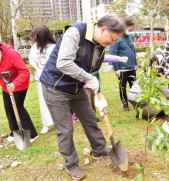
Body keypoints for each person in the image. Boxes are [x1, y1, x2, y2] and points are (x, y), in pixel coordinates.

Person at [39, 15, 126, 180]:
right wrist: (88, 78)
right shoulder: (75, 33)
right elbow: (63, 63)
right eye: (112, 39)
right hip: (55, 87)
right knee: (65, 129)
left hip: (76, 87)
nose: (113, 43)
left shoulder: (101, 42)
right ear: (103, 29)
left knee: (90, 119)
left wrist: (92, 81)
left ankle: (100, 150)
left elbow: (90, 62)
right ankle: (71, 164)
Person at [0, 42, 38, 143]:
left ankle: (32, 134)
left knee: (18, 107)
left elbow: (25, 71)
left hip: (19, 83)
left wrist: (15, 84)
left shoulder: (11, 54)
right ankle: (14, 131)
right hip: (5, 85)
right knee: (8, 108)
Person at [29, 25, 56, 134]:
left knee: (56, 100)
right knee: (43, 101)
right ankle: (47, 123)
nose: (35, 37)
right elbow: (32, 61)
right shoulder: (34, 47)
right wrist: (37, 69)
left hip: (53, 79)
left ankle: (59, 121)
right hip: (40, 79)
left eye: (36, 35)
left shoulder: (54, 47)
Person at [110, 19, 138, 112]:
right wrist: (116, 69)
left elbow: (133, 51)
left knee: (134, 86)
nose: (130, 32)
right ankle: (125, 103)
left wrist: (135, 64)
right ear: (124, 28)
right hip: (122, 68)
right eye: (129, 30)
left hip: (131, 67)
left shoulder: (129, 38)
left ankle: (135, 102)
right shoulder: (117, 38)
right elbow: (113, 54)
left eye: (131, 30)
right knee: (122, 87)